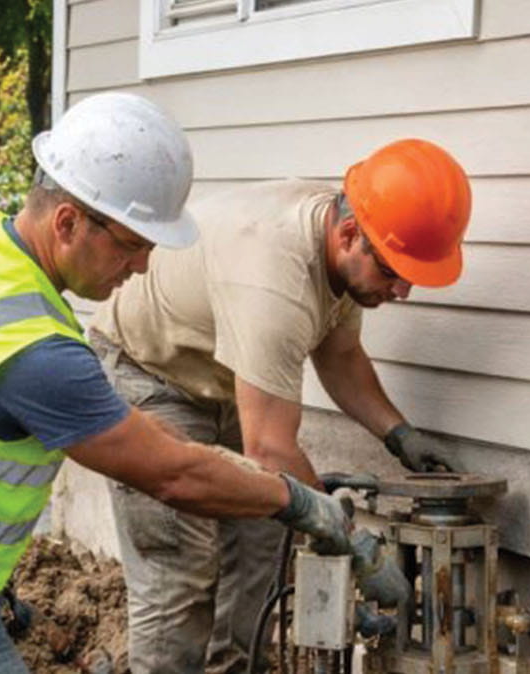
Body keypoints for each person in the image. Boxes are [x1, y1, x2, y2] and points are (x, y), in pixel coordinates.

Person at [0, 93, 363, 673]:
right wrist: (302, 503)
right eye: (132, 244)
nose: (144, 266)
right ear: (68, 221)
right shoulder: (35, 351)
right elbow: (174, 476)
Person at [89, 138, 473, 673]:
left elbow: (339, 357)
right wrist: (357, 547)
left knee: (263, 534)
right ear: (346, 235)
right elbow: (268, 450)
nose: (402, 291)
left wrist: (399, 434)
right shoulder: (277, 277)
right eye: (392, 272)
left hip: (222, 383)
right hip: (148, 374)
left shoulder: (343, 244)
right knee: (185, 570)